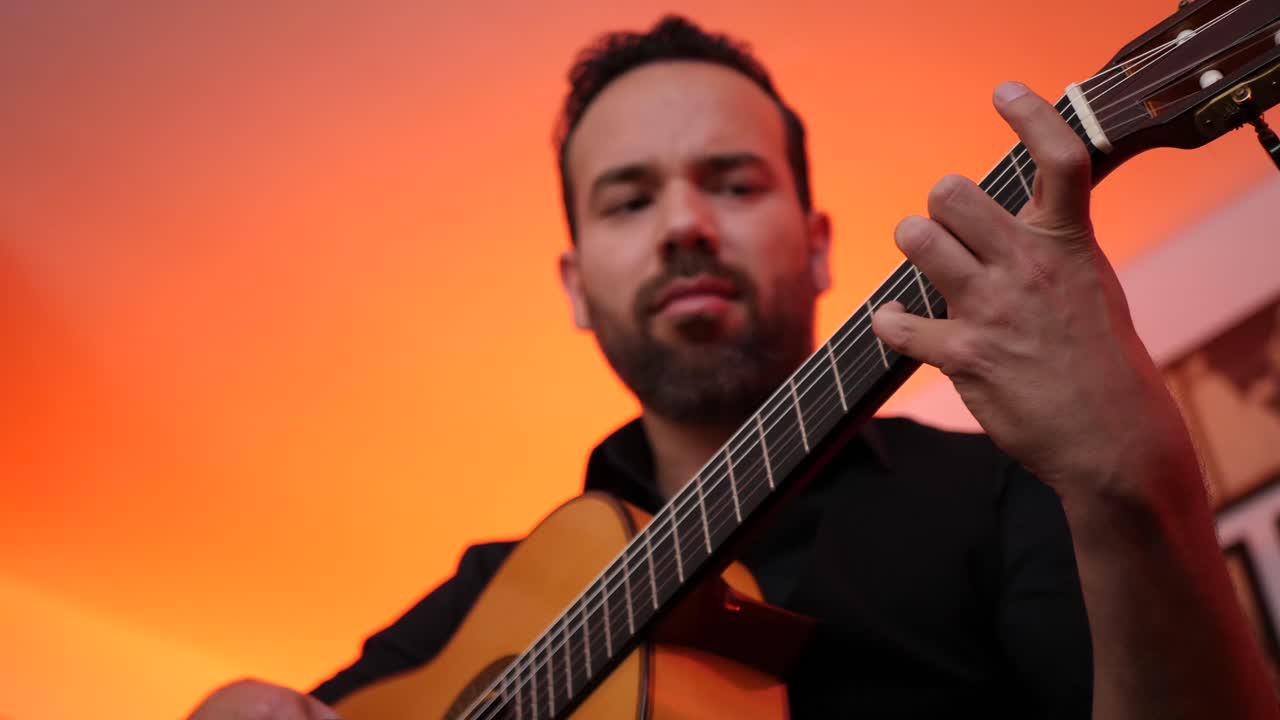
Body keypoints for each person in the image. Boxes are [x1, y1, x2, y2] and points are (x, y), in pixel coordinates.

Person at [188, 15, 1278, 720]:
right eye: (628, 198)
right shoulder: (488, 596)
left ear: (814, 243)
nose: (684, 226)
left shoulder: (1010, 496)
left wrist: (1135, 485)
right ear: (574, 282)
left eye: (733, 182)